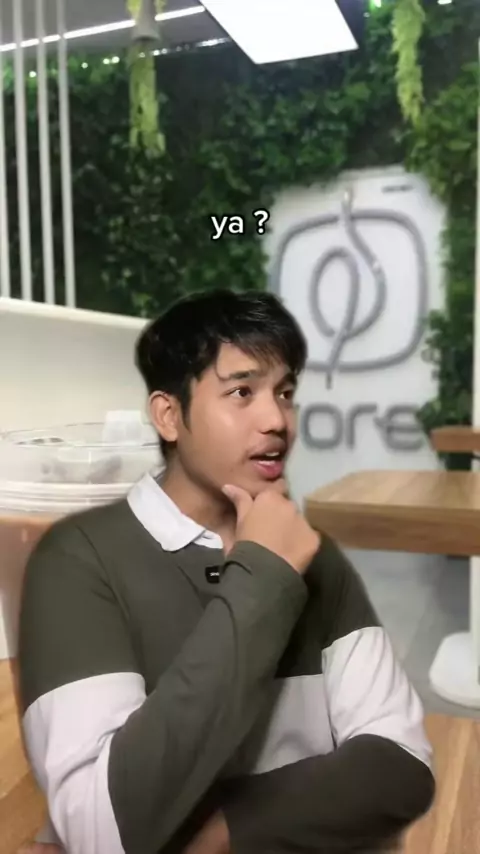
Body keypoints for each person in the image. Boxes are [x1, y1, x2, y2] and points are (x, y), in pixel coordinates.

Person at [18, 289, 435, 854]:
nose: (277, 420)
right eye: (242, 391)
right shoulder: (77, 561)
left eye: (284, 392)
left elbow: (402, 763)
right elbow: (102, 829)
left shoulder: (319, 559)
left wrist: (223, 831)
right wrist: (264, 575)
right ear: (170, 416)